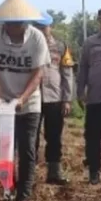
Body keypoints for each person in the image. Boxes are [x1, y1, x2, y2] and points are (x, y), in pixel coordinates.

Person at [0, 0, 50, 201]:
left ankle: (24, 195)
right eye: (10, 24)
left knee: (28, 148)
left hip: (29, 102)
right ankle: (7, 188)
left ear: (24, 23)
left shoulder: (36, 38)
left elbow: (38, 73)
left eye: (18, 24)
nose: (13, 28)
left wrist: (22, 98)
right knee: (4, 147)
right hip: (3, 101)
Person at [33, 12, 72, 185]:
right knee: (30, 138)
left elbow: (67, 74)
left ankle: (54, 173)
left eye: (44, 27)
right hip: (32, 97)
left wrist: (67, 99)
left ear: (50, 27)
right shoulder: (29, 45)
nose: (41, 30)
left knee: (54, 136)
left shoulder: (61, 46)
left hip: (55, 98)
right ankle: (29, 175)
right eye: (38, 27)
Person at [77, 7, 101, 184]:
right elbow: (83, 69)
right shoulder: (90, 43)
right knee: (93, 136)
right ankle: (94, 171)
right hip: (96, 98)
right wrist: (80, 92)